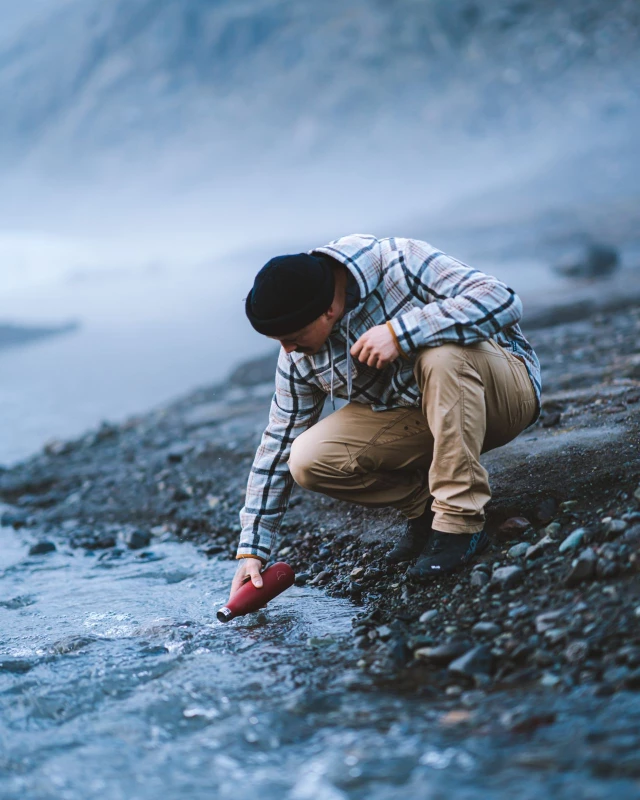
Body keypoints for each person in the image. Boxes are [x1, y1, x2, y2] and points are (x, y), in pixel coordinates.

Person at [228, 234, 541, 600]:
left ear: (328, 309)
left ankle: (460, 524)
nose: (287, 349)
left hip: (502, 395)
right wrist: (252, 549)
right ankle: (427, 512)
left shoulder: (399, 261)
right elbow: (277, 443)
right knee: (306, 458)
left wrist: (401, 333)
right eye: (279, 340)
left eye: (293, 337)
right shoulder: (298, 355)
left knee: (439, 356)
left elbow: (501, 299)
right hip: (422, 416)